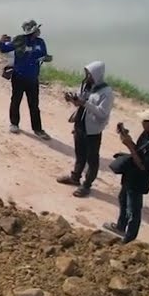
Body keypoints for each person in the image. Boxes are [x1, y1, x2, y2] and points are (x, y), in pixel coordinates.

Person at [104, 108, 149, 243]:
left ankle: (129, 239)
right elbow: (138, 151)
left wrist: (129, 146)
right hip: (131, 174)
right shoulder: (146, 135)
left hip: (139, 180)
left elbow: (143, 165)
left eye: (145, 121)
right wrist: (126, 137)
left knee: (133, 210)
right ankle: (121, 227)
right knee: (123, 199)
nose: (142, 123)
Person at [57, 61, 113, 197]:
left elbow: (102, 113)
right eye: (87, 74)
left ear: (97, 74)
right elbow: (79, 102)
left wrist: (85, 103)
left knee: (92, 159)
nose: (88, 77)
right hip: (80, 125)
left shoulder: (107, 93)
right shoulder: (86, 86)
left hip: (93, 130)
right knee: (80, 154)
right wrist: (72, 99)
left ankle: (87, 185)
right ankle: (75, 177)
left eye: (90, 74)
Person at [0, 20, 52, 139]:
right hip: (19, 76)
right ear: (32, 31)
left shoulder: (40, 42)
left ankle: (38, 129)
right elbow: (4, 49)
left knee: (34, 105)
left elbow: (44, 54)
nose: (38, 31)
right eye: (36, 29)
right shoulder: (19, 40)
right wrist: (1, 41)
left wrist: (46, 58)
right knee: (16, 100)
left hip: (33, 78)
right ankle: (14, 124)